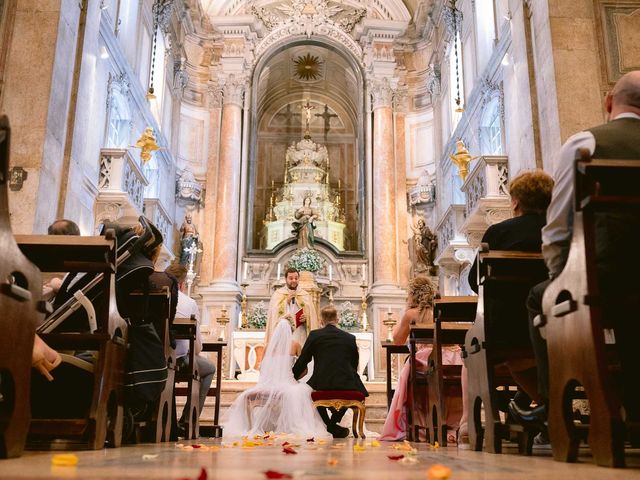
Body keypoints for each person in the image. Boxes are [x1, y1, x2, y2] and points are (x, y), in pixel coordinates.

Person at [511, 70, 640, 428]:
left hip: (605, 280)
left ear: (609, 102)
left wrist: (561, 278)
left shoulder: (586, 144)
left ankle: (553, 405)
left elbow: (558, 226)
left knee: (541, 298)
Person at [379, 276, 467, 443]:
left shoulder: (412, 313)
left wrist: (407, 310)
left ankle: (422, 425)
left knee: (410, 370)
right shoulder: (443, 311)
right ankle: (451, 427)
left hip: (429, 362)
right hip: (454, 361)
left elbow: (397, 340)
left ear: (413, 295)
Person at [222, 319, 328, 437]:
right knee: (304, 392)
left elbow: (262, 369)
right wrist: (294, 379)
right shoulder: (295, 345)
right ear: (292, 331)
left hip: (267, 384)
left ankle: (251, 428)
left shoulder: (268, 346)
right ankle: (291, 426)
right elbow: (304, 369)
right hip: (287, 384)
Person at [292, 305, 368, 438]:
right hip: (346, 382)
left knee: (310, 391)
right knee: (352, 389)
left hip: (322, 382)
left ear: (321, 321)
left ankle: (329, 425)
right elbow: (354, 363)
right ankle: (333, 424)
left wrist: (292, 375)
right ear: (337, 320)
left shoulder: (315, 335)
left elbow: (304, 359)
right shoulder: (350, 337)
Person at [165, 263, 216, 432]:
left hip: (155, 358)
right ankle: (187, 421)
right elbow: (197, 347)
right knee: (209, 368)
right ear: (181, 284)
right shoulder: (189, 303)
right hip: (179, 360)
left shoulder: (156, 296)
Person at [266, 267, 319, 346]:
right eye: (291, 278)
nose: (294, 280)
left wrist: (306, 319)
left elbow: (312, 316)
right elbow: (273, 314)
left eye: (296, 278)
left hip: (300, 333)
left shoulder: (305, 295)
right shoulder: (278, 294)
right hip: (284, 333)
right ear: (286, 279)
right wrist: (286, 302)